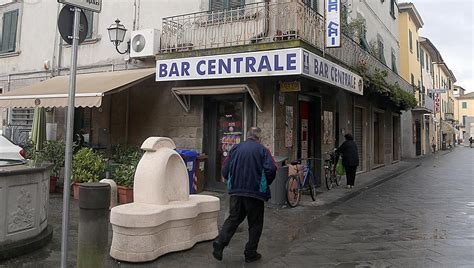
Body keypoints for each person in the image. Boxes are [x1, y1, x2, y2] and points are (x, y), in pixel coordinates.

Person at [212, 127, 277, 263]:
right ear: (259, 138)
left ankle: (220, 242)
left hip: (236, 191)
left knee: (234, 218)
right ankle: (250, 253)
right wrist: (264, 183)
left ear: (247, 136)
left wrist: (232, 181)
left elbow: (225, 169)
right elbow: (271, 169)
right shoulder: (263, 150)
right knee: (255, 223)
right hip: (255, 192)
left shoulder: (235, 149)